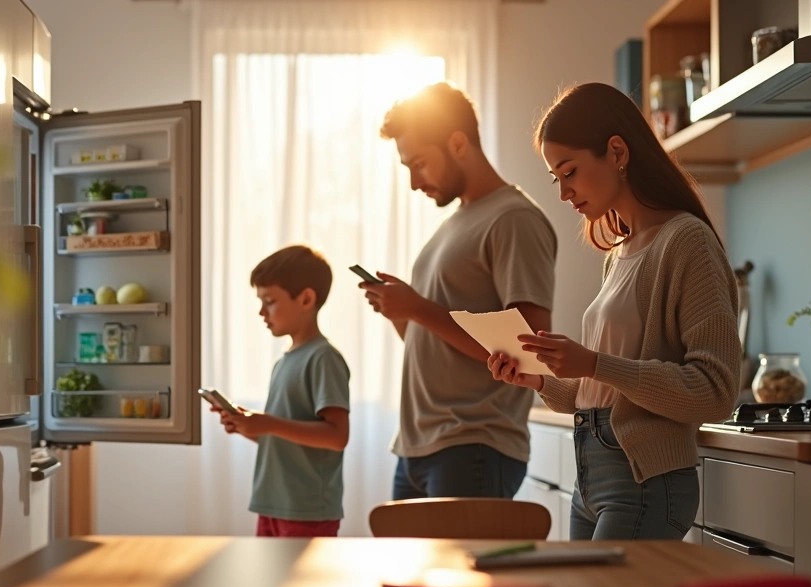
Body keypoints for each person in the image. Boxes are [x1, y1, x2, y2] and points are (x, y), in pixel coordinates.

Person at [487, 82, 740, 541]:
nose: (564, 193)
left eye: (570, 172)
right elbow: (601, 392)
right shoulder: (619, 254)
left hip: (643, 481)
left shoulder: (687, 243)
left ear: (617, 152)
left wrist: (594, 363)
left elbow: (715, 391)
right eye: (555, 178)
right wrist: (540, 379)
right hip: (593, 476)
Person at [363, 82, 557, 500]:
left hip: (473, 447)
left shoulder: (514, 220)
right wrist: (403, 313)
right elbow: (440, 340)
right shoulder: (454, 224)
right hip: (418, 448)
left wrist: (417, 307)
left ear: (457, 143)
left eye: (419, 163)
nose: (414, 182)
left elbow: (528, 351)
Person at [217, 245, 351, 537]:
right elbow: (286, 438)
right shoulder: (284, 362)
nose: (262, 311)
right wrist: (248, 427)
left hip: (306, 510)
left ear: (305, 299)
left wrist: (268, 423)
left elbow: (337, 437)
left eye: (270, 301)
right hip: (273, 504)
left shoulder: (323, 358)